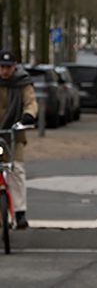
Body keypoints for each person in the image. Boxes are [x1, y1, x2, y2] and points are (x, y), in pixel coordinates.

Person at [0, 50, 37, 229]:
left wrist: (28, 116)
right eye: (2, 67)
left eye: (8, 67)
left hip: (14, 133)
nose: (5, 71)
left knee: (16, 170)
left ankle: (20, 212)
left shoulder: (22, 82)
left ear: (14, 67)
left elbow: (30, 102)